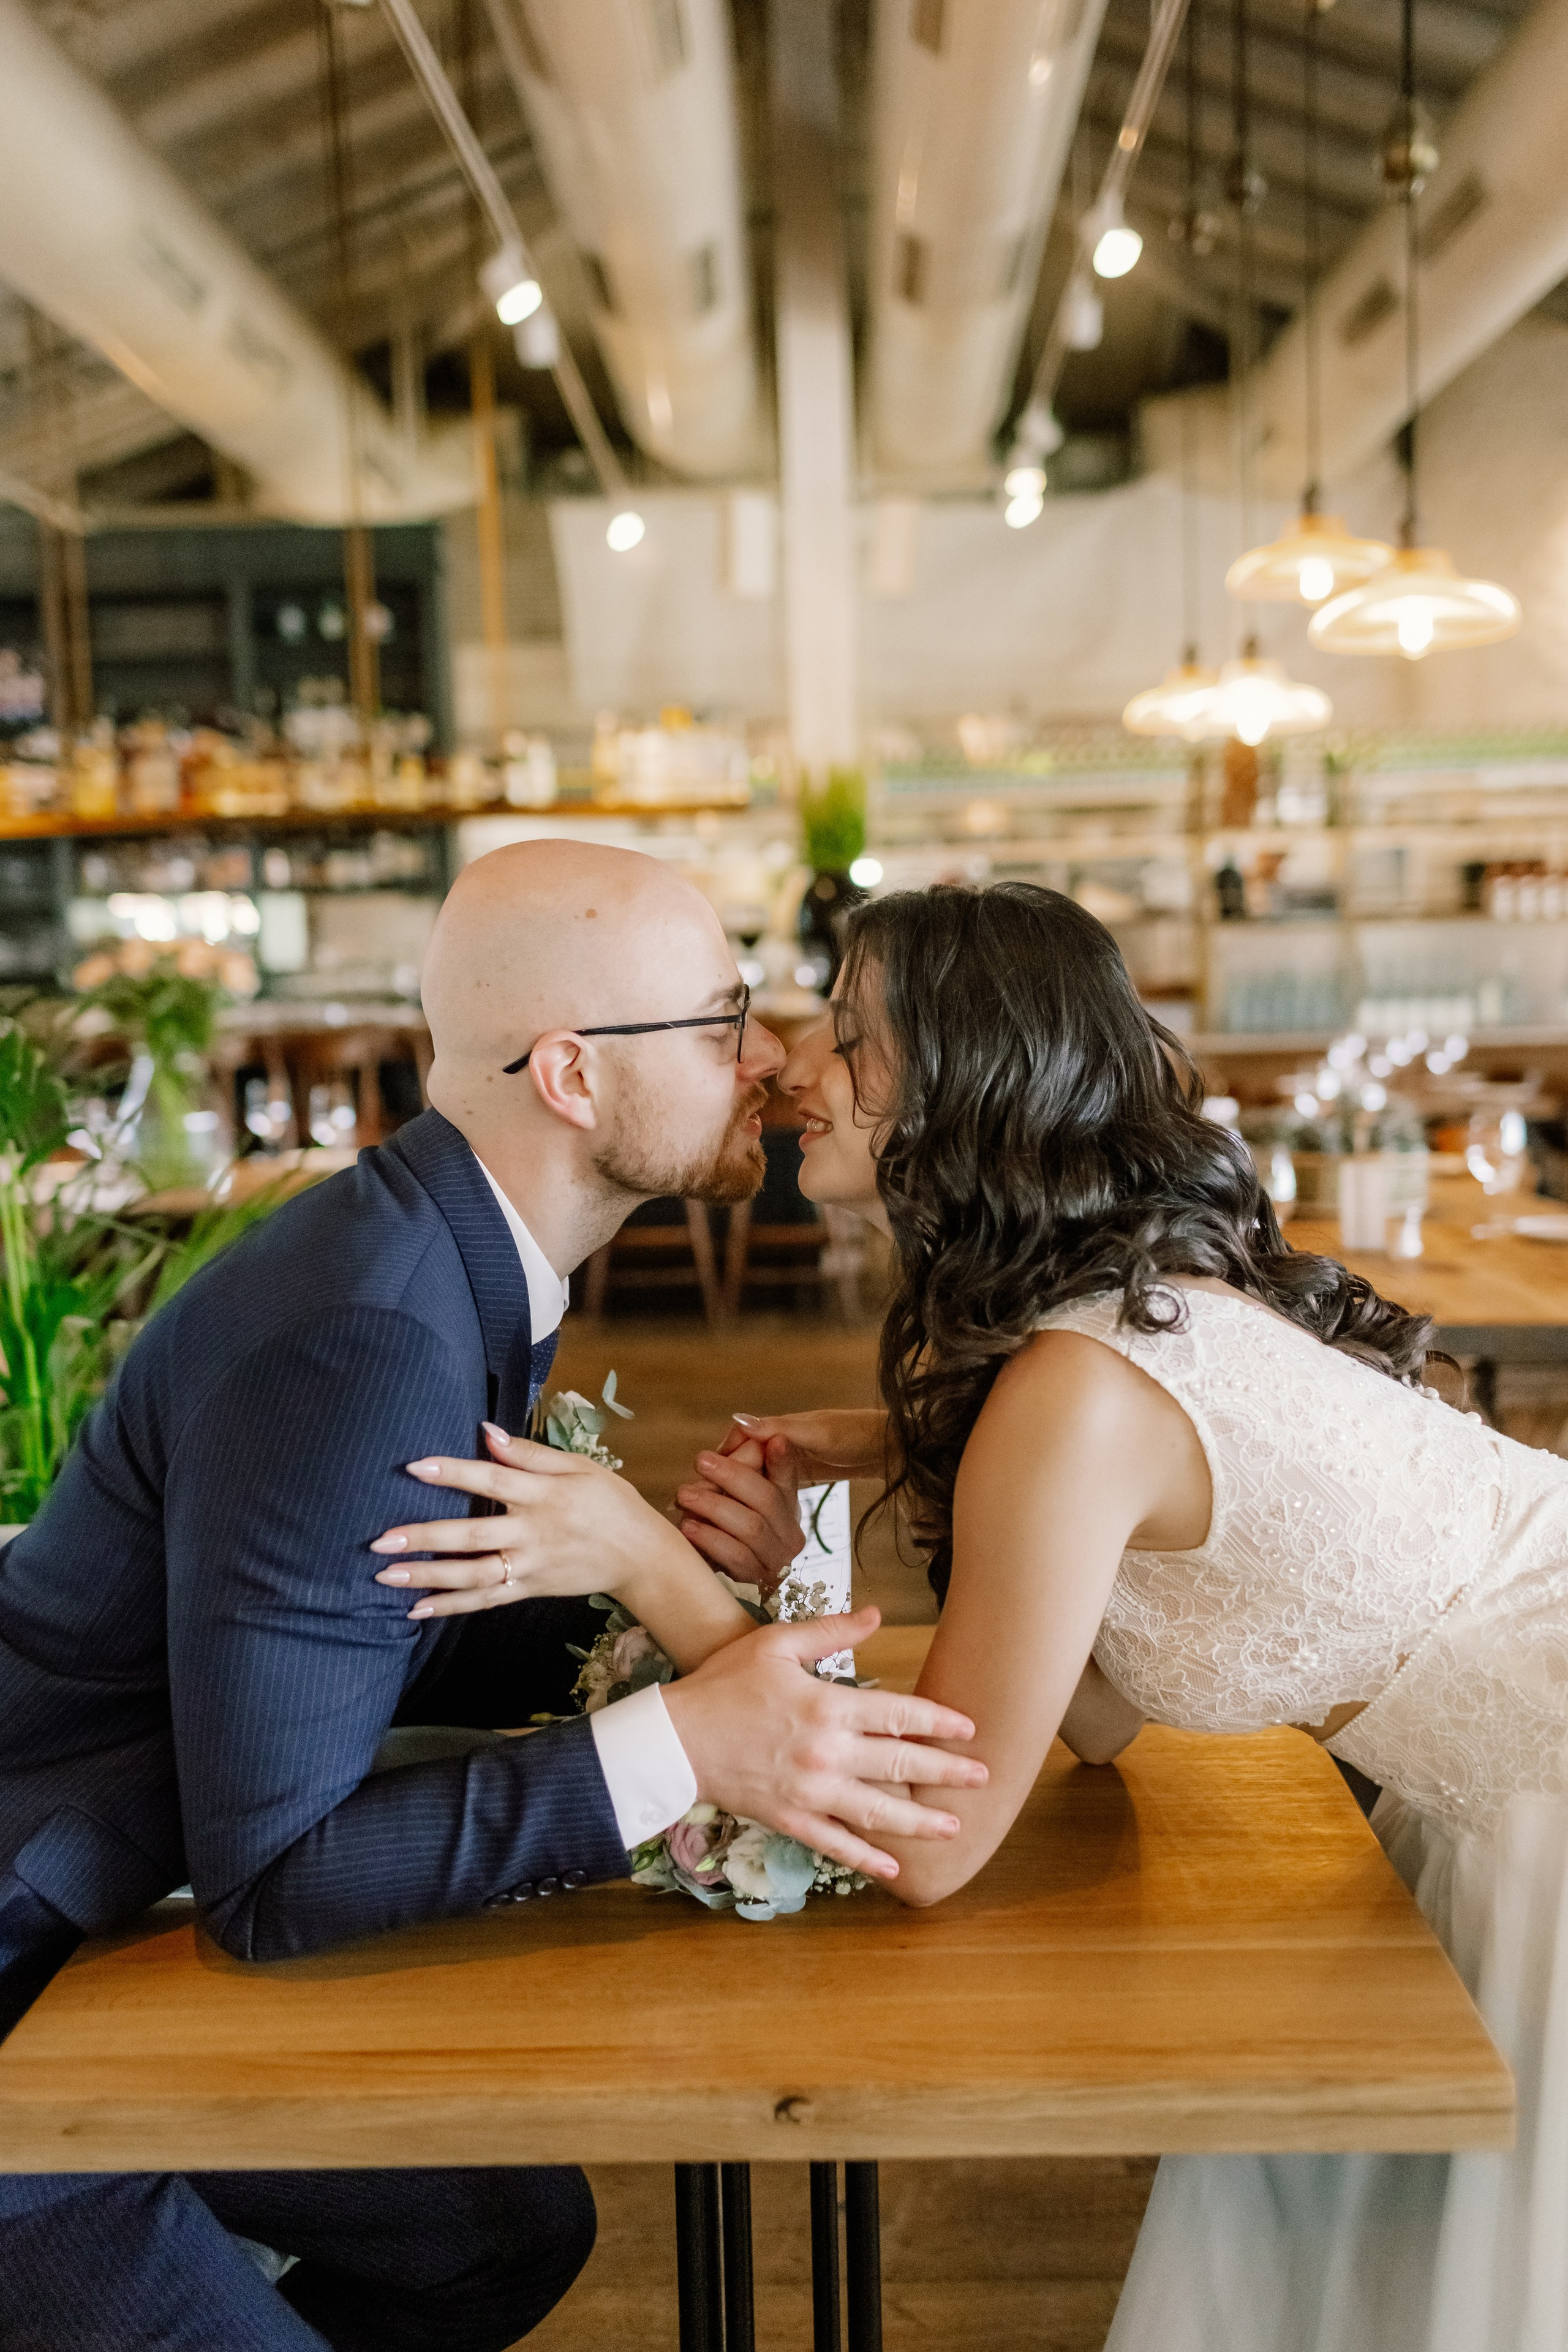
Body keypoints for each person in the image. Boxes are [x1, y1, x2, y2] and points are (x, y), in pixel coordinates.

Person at [401, 878, 1568, 2352]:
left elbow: (931, 1845)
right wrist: (907, 1455)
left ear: (966, 1085)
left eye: (850, 1033)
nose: (795, 1068)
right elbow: (1093, 1716)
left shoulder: (1074, 1394)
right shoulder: (1094, 1341)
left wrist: (647, 1564)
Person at [0, 840, 984, 2352]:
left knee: (502, 2232)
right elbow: (274, 1887)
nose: (772, 1060)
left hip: (100, 1913)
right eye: (723, 1022)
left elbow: (369, 1615)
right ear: (574, 1078)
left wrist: (654, 1579)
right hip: (23, 1982)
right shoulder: (365, 1329)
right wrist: (688, 1747)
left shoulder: (446, 1260)